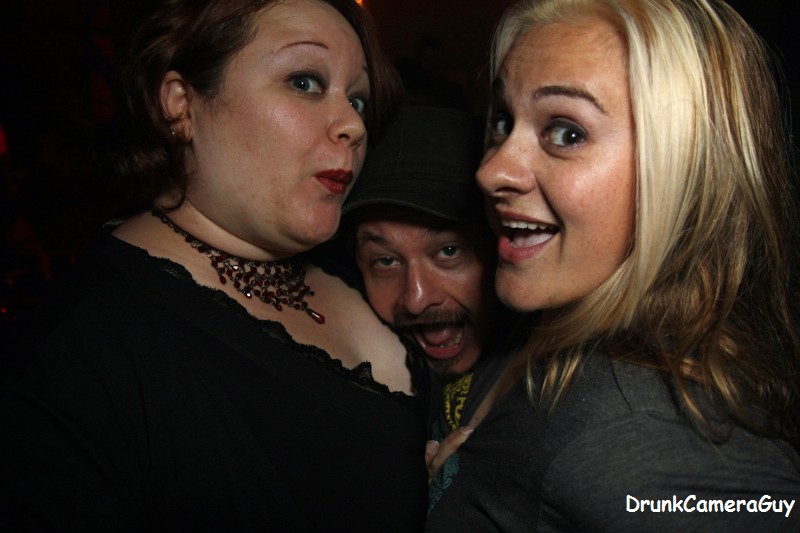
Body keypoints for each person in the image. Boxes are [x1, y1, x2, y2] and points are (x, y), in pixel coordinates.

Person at [0, 1, 430, 531]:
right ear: (180, 104)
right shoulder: (75, 358)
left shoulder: (361, 265)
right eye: (304, 82)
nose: (353, 125)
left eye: (357, 99)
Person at [425, 0, 800, 531]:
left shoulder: (652, 433)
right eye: (503, 122)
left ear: (683, 172)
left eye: (567, 133)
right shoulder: (542, 312)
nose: (491, 171)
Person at [329, 105, 527, 510]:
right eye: (386, 261)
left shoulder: (547, 385)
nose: (417, 298)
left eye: (449, 251)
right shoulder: (367, 387)